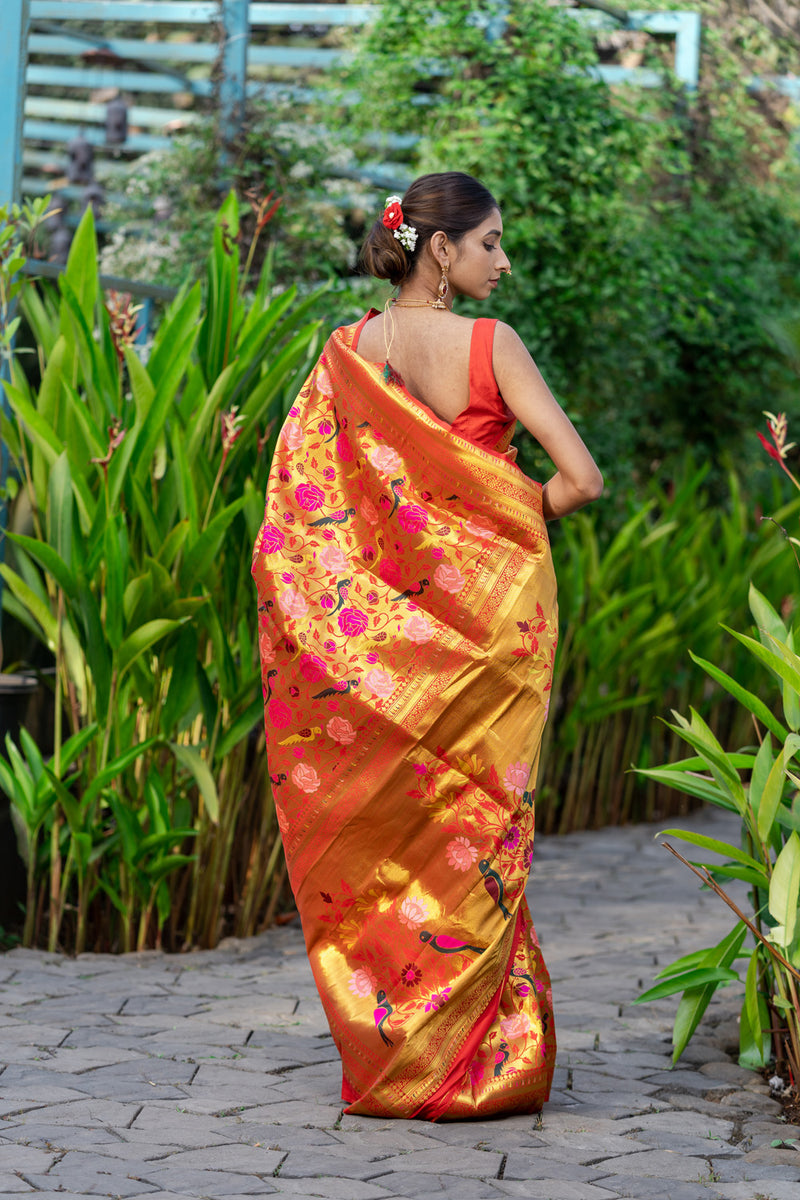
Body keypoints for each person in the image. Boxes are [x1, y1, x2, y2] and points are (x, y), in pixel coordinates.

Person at [252, 172, 602, 1120]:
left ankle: (396, 1057)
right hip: (489, 636)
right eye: (491, 242)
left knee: (396, 834)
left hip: (387, 648)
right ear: (439, 249)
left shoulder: (348, 352)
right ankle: (478, 1057)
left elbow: (303, 517)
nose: (505, 259)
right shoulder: (492, 345)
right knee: (478, 828)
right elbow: (582, 479)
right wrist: (505, 517)